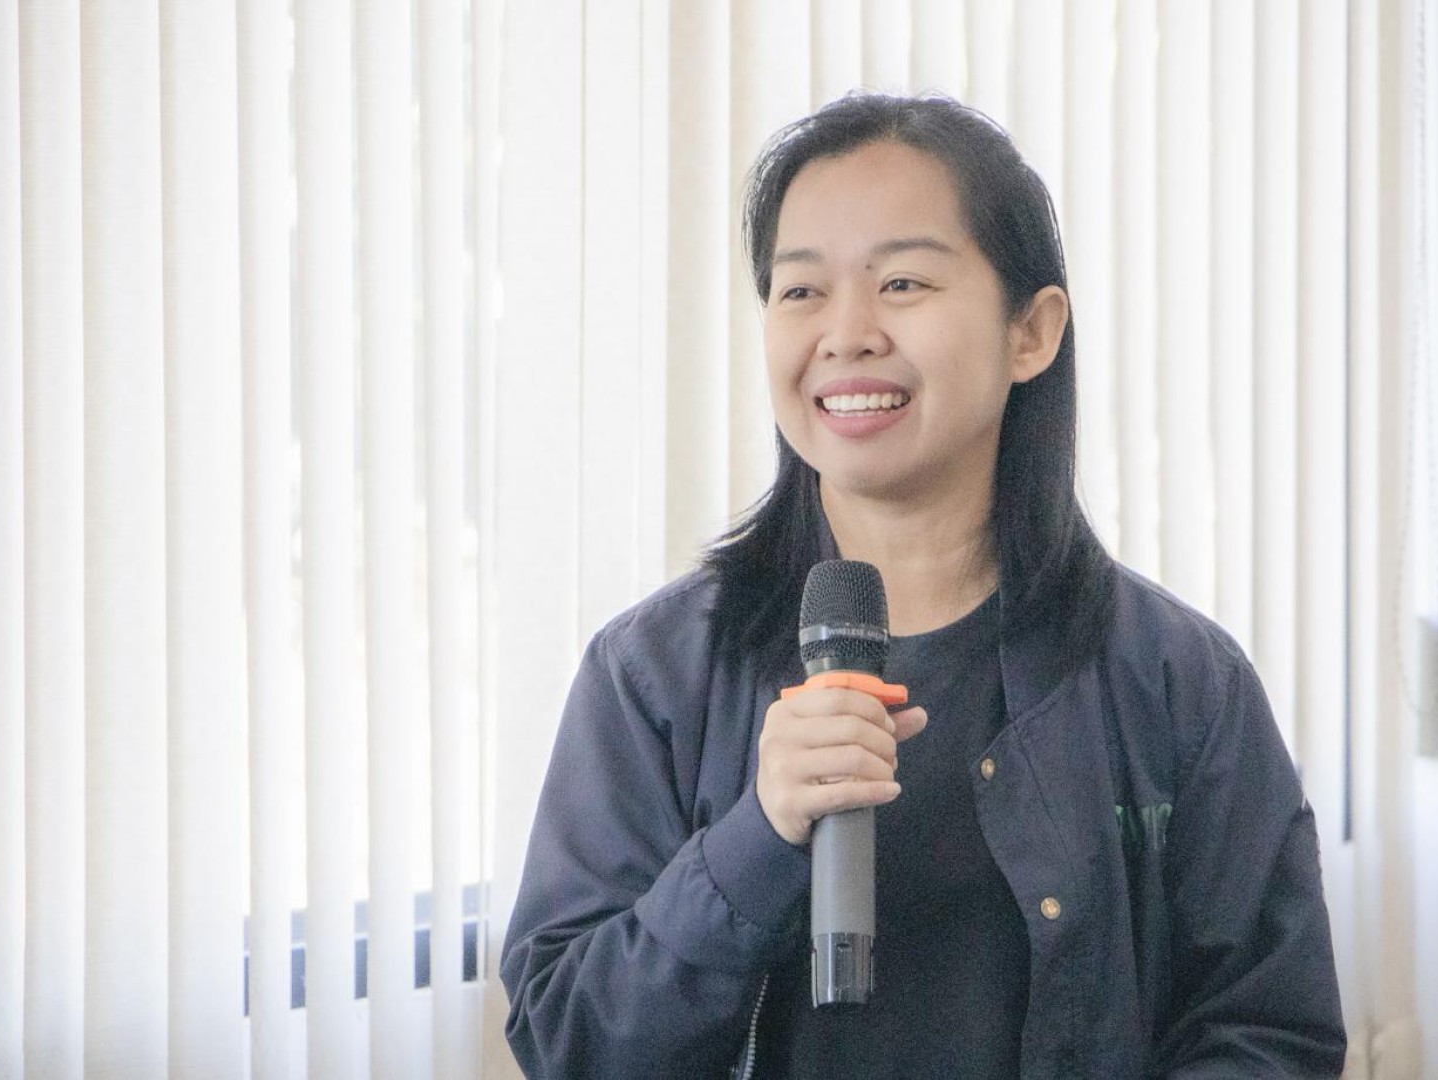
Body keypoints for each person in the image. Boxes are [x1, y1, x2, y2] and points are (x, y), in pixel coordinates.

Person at [500, 91, 1346, 1079]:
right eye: (801, 290)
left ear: (1031, 332)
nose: (845, 333)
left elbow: (1269, 1032)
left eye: (901, 282)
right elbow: (566, 1041)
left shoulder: (1178, 681)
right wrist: (756, 839)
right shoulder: (653, 674)